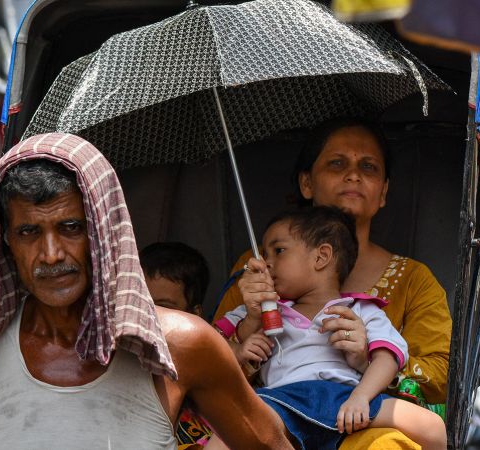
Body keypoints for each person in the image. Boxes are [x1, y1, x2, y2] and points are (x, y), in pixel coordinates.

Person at [0, 133, 292, 450]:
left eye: (71, 228)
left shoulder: (183, 345)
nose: (51, 254)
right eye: (29, 232)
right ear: (5, 242)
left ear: (103, 233)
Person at [212, 118, 453, 448]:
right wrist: (248, 340)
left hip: (362, 424)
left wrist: (368, 362)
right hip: (275, 421)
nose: (353, 175)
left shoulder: (414, 280)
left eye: (368, 167)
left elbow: (440, 376)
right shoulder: (259, 266)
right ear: (307, 183)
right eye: (337, 163)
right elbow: (213, 357)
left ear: (382, 191)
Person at [208, 207, 446, 450]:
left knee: (433, 427)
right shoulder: (260, 311)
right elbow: (208, 343)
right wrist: (242, 340)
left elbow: (387, 357)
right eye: (264, 254)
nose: (266, 263)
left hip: (345, 402)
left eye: (278, 251)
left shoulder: (359, 309)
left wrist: (362, 397)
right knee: (223, 438)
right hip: (281, 403)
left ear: (321, 257)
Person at [140, 241, 214, 448]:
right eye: (141, 303)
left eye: (163, 307)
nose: (150, 316)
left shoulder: (210, 370)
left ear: (194, 314)